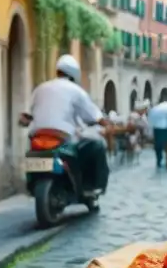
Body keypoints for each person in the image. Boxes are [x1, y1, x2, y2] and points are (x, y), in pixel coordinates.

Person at [22, 54, 111, 195]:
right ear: (75, 74)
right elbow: (96, 116)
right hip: (62, 137)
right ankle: (95, 186)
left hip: (37, 137)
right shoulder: (76, 91)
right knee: (97, 146)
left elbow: (25, 117)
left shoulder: (40, 88)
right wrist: (107, 124)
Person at [147, 96, 167, 168]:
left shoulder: (155, 109)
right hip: (166, 130)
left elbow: (150, 121)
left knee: (158, 147)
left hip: (157, 130)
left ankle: (159, 161)